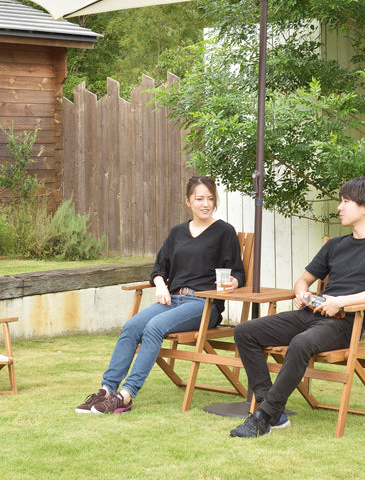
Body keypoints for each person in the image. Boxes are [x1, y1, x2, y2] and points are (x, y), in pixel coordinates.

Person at [229, 175, 365, 437]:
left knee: (301, 343)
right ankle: (271, 408)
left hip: (345, 322)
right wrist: (301, 292)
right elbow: (304, 280)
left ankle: (263, 417)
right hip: (310, 313)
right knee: (245, 331)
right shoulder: (335, 245)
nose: (339, 207)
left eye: (345, 201)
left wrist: (340, 302)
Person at [75, 175, 246, 415]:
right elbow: (158, 269)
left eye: (210, 198)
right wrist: (161, 285)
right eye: (199, 198)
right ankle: (106, 390)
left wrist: (232, 281)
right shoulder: (177, 233)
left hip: (204, 304)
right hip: (172, 299)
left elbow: (239, 273)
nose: (205, 204)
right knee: (132, 327)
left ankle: (126, 396)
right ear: (188, 201)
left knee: (154, 327)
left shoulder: (224, 232)